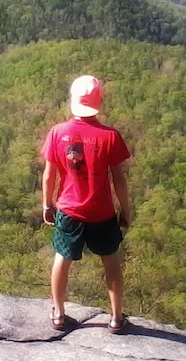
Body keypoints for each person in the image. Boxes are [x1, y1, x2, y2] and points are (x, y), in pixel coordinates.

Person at [40, 75, 133, 334]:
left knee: (62, 257)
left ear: (72, 101)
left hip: (69, 210)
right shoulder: (110, 137)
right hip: (101, 212)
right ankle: (115, 319)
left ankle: (58, 314)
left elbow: (49, 175)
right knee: (110, 261)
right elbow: (119, 180)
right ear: (99, 101)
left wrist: (47, 205)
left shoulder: (58, 133)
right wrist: (125, 211)